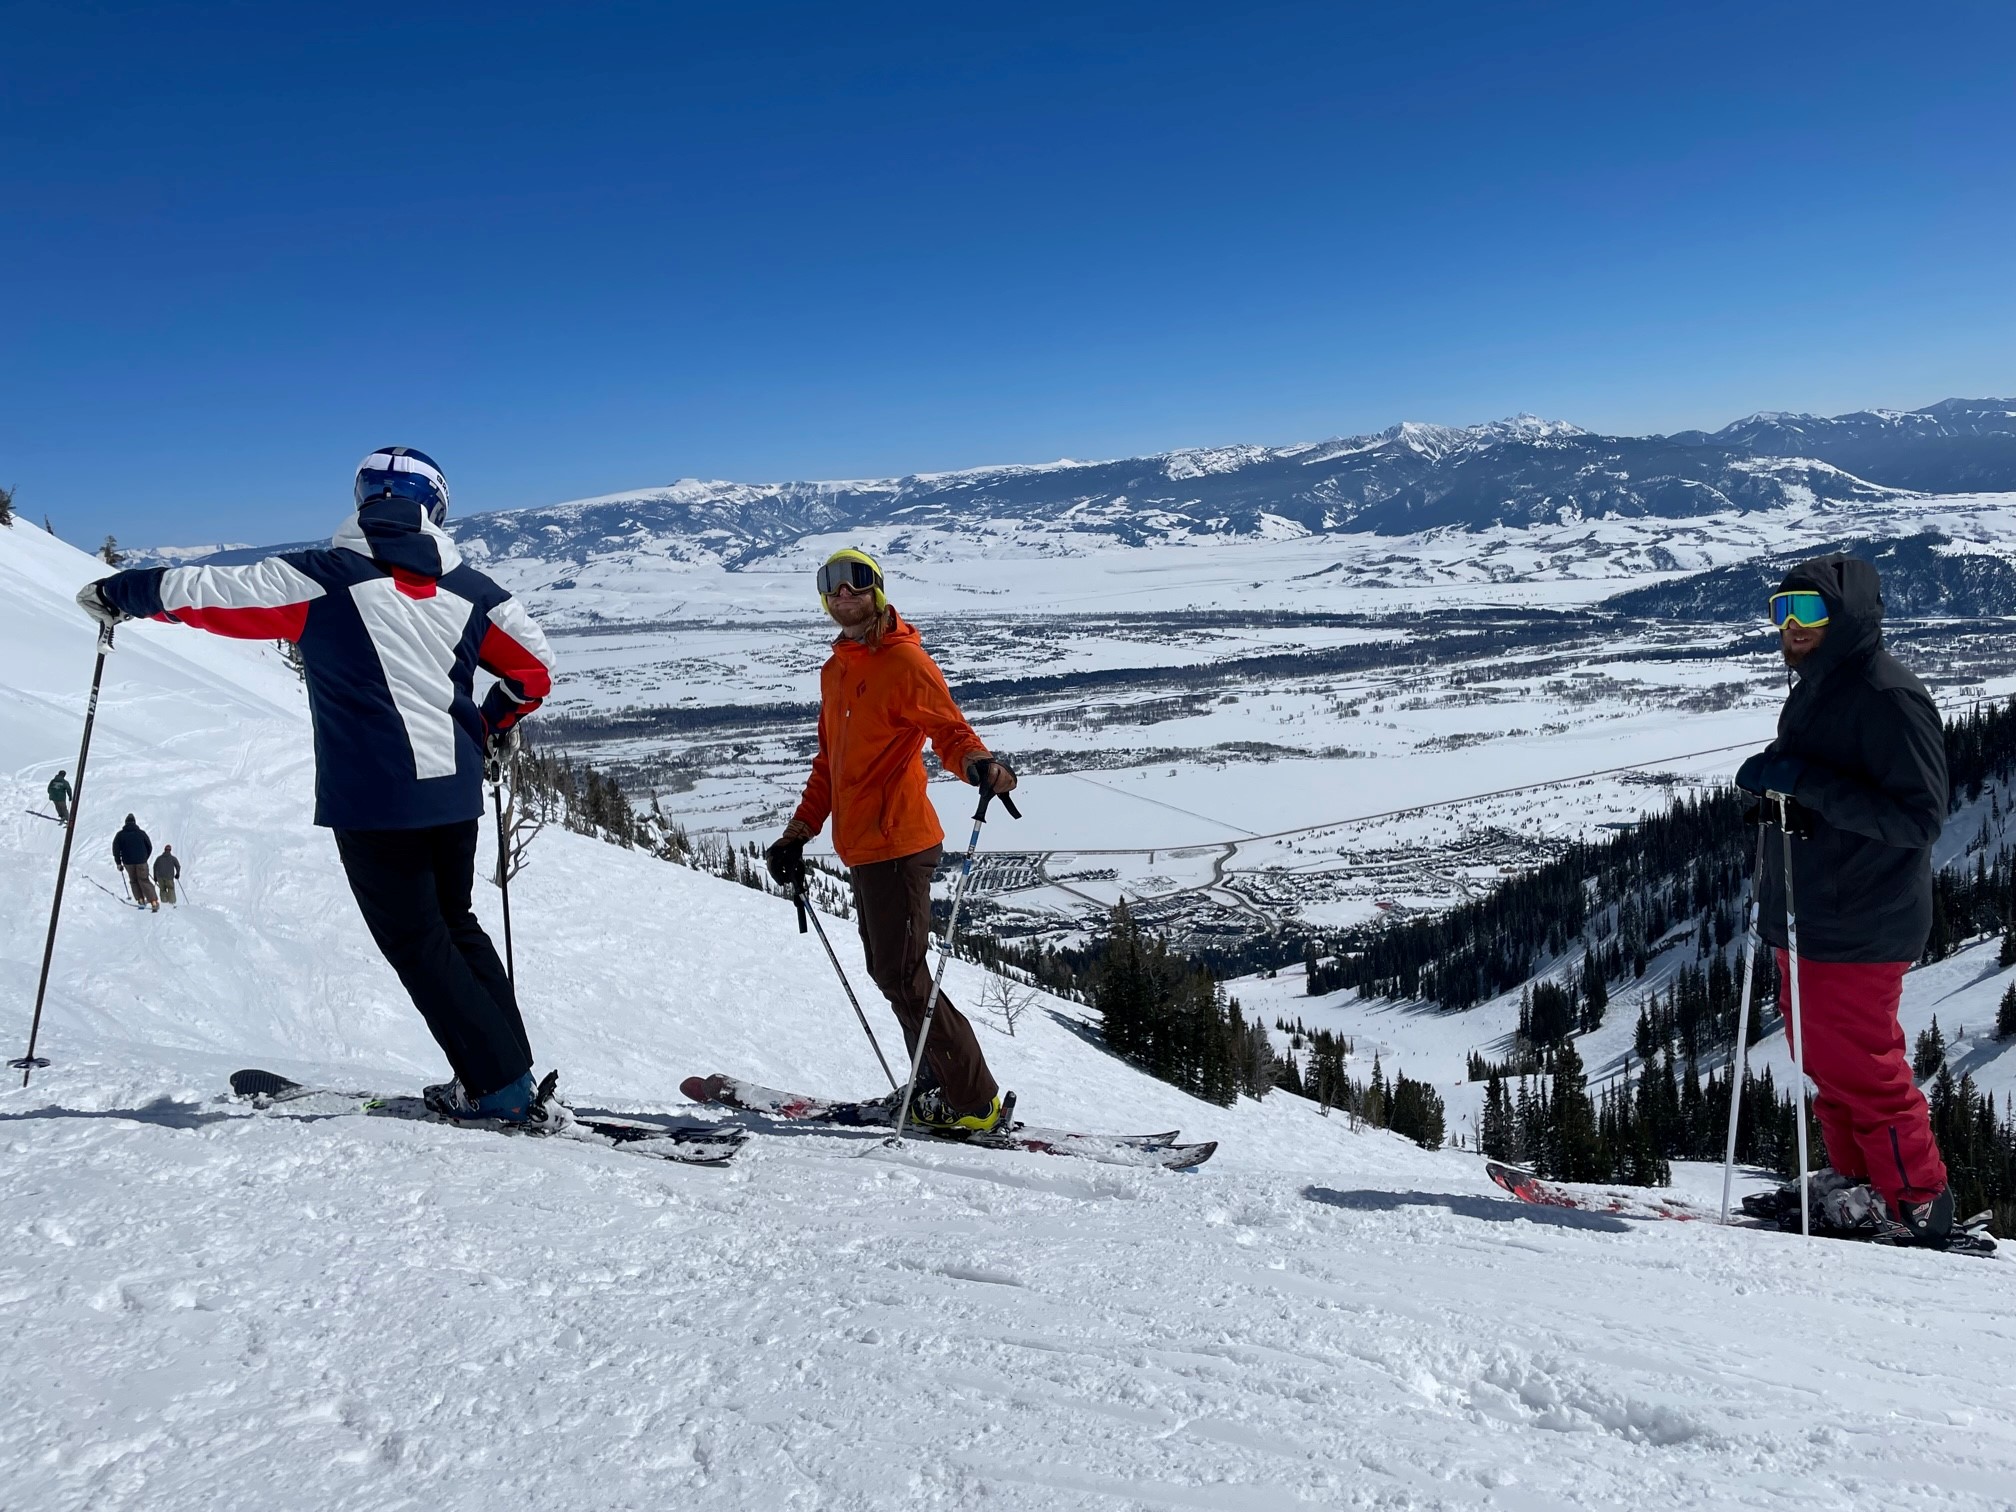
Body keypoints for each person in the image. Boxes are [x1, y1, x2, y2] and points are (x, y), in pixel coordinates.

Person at [77, 447, 559, 1124]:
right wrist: (492, 721)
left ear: (362, 500)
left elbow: (207, 593)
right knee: (456, 926)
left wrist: (116, 593)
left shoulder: (321, 578)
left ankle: (497, 1088)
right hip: (453, 795)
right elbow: (535, 670)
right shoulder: (476, 591)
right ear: (437, 506)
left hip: (374, 798)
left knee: (420, 941)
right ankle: (508, 1072)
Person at [1735, 552, 1953, 1246]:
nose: (1793, 626)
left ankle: (1917, 1201)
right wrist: (1786, 796)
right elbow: (1826, 793)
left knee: (1863, 1065)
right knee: (1826, 1061)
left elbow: (1919, 817)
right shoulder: (1820, 688)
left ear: (1847, 617)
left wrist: (1803, 785)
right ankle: (1858, 1184)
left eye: (1811, 612)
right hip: (1812, 912)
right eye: (1782, 611)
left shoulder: (1886, 694)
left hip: (1861, 918)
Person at [765, 547, 1018, 1133]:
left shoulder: (904, 661)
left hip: (900, 843)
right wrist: (799, 832)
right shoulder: (840, 667)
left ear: (876, 590)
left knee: (903, 977)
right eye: (830, 585)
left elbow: (949, 730)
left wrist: (978, 763)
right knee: (894, 973)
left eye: (855, 582)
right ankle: (934, 1083)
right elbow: (830, 763)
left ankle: (973, 1103)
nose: (842, 593)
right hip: (864, 849)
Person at [112, 813, 160, 912]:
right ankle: (154, 902)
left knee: (134, 881)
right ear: (135, 822)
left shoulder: (120, 835)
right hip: (141, 861)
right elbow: (149, 846)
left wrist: (118, 863)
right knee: (144, 880)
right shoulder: (141, 833)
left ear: (126, 823)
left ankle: (141, 900)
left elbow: (116, 849)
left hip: (128, 862)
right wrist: (144, 857)